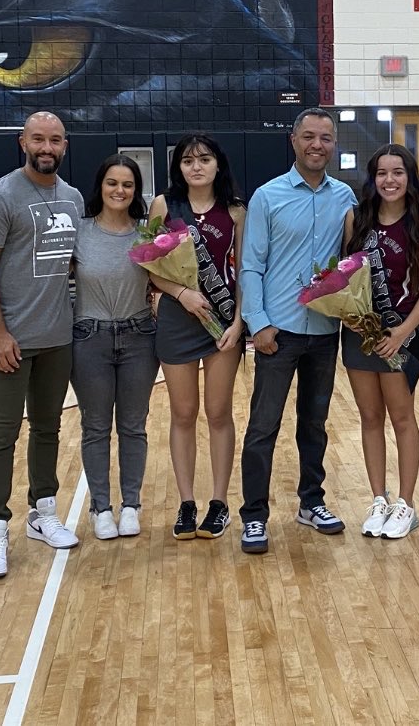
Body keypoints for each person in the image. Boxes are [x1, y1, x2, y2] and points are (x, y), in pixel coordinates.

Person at [0, 111, 83, 579]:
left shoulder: (73, 199)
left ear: (65, 145)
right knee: (1, 435)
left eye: (55, 139)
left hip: (57, 337)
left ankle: (43, 512)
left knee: (48, 428)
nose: (47, 147)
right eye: (38, 138)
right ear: (23, 142)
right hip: (8, 341)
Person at [238, 108, 356, 554]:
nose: (317, 145)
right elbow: (251, 265)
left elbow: (353, 262)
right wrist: (259, 324)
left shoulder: (345, 197)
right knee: (263, 427)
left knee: (315, 424)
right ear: (293, 140)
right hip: (278, 332)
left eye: (326, 138)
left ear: (333, 144)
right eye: (309, 136)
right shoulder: (267, 197)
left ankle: (311, 502)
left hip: (324, 333)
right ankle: (254, 516)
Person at [148, 133, 246, 541]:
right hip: (177, 318)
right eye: (188, 161)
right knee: (183, 413)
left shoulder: (237, 210)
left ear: (218, 164)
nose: (196, 166)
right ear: (179, 168)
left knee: (219, 413)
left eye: (204, 159)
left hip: (223, 323)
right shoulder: (163, 205)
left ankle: (219, 502)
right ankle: (187, 503)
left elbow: (246, 271)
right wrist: (181, 293)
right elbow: (149, 266)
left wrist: (239, 323)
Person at [342, 145, 419, 539]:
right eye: (382, 173)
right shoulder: (356, 220)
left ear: (409, 178)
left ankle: (406, 504)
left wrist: (402, 333)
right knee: (369, 418)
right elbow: (343, 276)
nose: (389, 180)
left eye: (397, 172)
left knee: (402, 418)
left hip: (401, 337)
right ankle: (378, 498)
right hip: (360, 336)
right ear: (372, 178)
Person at [70, 155, 159, 540]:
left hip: (140, 336)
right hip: (89, 338)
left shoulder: (146, 234)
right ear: (100, 187)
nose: (119, 190)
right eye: (112, 183)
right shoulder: (80, 231)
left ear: (136, 191)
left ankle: (131, 506)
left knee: (133, 426)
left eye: (127, 184)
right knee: (95, 427)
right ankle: (101, 508)